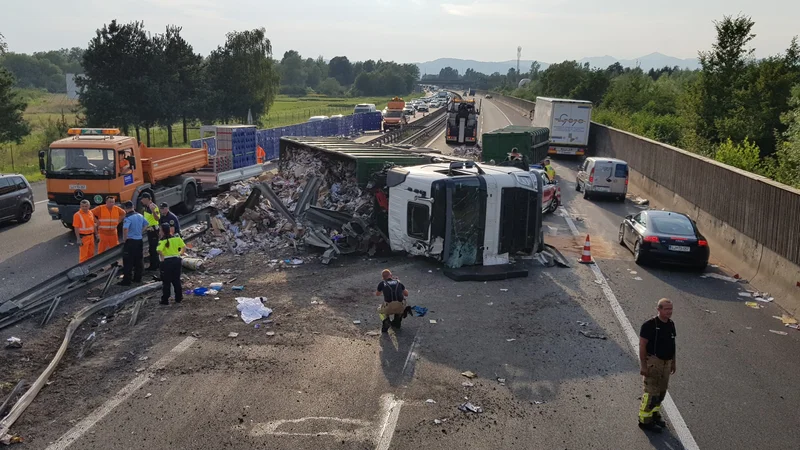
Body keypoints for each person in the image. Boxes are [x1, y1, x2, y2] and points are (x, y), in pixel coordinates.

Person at [638, 298, 677, 432]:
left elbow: (673, 344)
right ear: (659, 309)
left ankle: (654, 414)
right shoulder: (649, 325)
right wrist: (643, 365)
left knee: (661, 391)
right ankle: (645, 420)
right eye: (666, 309)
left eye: (670, 309)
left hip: (666, 363)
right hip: (654, 362)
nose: (669, 312)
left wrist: (673, 362)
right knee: (651, 393)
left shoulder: (671, 324)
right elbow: (642, 345)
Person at [156, 223, 186, 305]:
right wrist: (180, 253)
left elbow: (158, 250)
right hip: (176, 260)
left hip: (166, 262)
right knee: (176, 280)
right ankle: (178, 298)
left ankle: (165, 299)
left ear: (162, 231)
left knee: (166, 282)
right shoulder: (176, 238)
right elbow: (184, 246)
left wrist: (162, 257)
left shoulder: (162, 241)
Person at [120, 201, 145, 286]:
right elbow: (146, 224)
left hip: (131, 241)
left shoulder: (128, 218)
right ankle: (138, 278)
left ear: (125, 208)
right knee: (139, 260)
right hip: (139, 240)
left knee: (128, 261)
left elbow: (125, 229)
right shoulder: (140, 215)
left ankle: (127, 280)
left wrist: (124, 238)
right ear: (133, 207)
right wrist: (140, 232)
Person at [140, 193, 161, 271]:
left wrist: (153, 211)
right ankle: (154, 264)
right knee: (151, 248)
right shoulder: (146, 207)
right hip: (149, 229)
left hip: (154, 230)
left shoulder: (153, 207)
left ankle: (155, 266)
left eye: (142, 199)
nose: (141, 200)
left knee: (153, 248)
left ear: (147, 199)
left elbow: (157, 219)